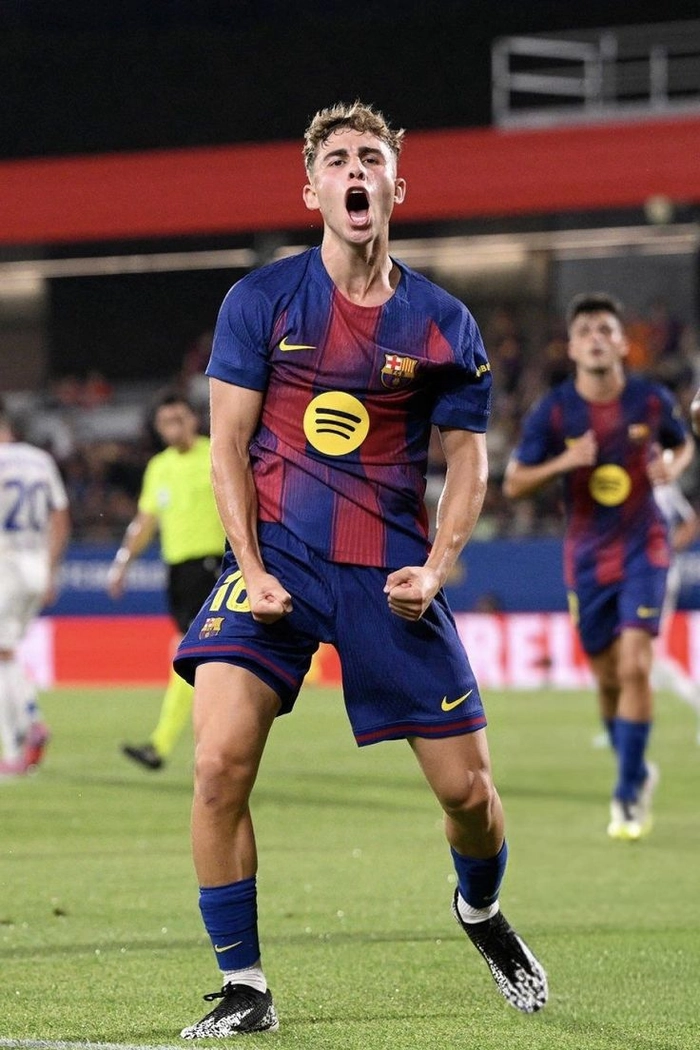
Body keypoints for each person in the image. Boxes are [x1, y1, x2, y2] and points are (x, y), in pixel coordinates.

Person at [172, 100, 548, 1039]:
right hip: (278, 567)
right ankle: (244, 987)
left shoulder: (443, 324)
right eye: (336, 158)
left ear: (394, 187)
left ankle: (479, 909)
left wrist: (438, 569)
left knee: (470, 797)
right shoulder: (260, 301)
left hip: (389, 574)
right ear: (313, 191)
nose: (354, 170)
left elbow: (468, 463)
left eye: (370, 157)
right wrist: (250, 567)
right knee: (216, 766)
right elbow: (226, 447)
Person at [503, 292, 694, 842]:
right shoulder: (554, 411)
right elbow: (514, 483)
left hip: (645, 548)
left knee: (635, 665)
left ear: (621, 343)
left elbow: (682, 444)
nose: (595, 338)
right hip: (587, 556)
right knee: (608, 678)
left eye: (605, 329)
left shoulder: (651, 400)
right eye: (584, 330)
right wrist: (565, 460)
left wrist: (671, 464)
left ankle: (628, 791)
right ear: (571, 347)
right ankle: (635, 766)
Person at [107, 393, 224, 771]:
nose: (173, 427)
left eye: (179, 418)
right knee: (202, 657)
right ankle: (200, 743)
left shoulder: (216, 452)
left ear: (194, 420)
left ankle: (162, 744)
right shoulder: (159, 466)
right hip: (178, 572)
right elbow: (145, 522)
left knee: (191, 653)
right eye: (165, 422)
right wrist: (123, 563)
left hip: (212, 565)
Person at [0, 402, 70, 777]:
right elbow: (60, 515)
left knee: (2, 655)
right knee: (6, 651)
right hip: (36, 564)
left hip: (5, 564)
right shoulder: (41, 461)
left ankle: (24, 733)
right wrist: (51, 568)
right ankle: (25, 733)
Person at [650, 477, 700, 741]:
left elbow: (692, 522)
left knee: (646, 656)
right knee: (639, 657)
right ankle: (629, 727)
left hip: (656, 579)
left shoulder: (664, 487)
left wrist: (666, 552)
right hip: (635, 580)